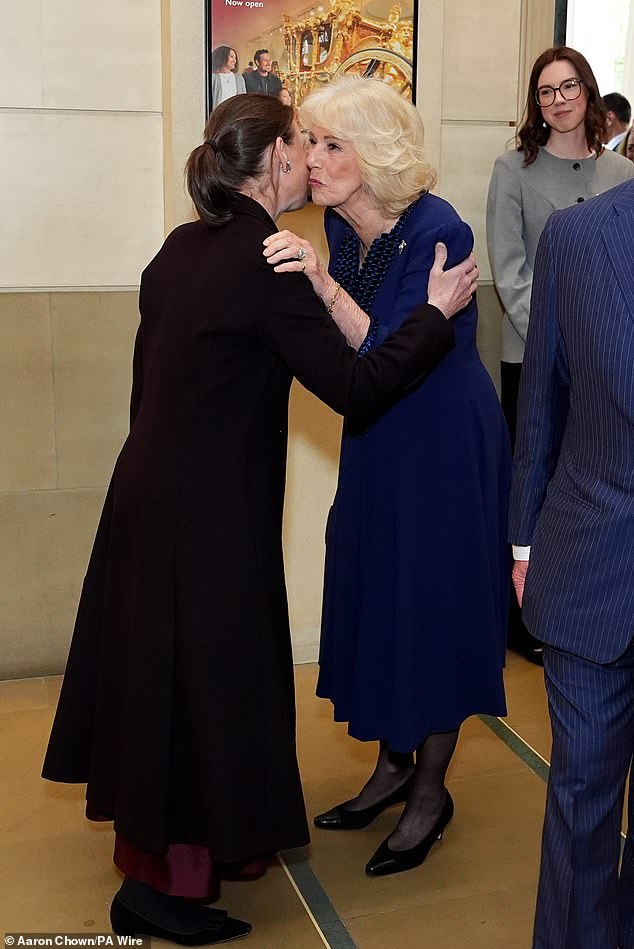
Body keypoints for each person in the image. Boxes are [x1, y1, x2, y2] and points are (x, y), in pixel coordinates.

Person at [41, 94, 478, 943]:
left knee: (174, 689)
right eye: (301, 144)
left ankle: (194, 860)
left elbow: (153, 383)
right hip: (207, 518)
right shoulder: (264, 259)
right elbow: (356, 387)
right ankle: (158, 890)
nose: (311, 159)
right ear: (274, 160)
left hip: (145, 497)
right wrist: (435, 317)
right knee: (205, 690)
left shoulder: (180, 247)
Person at [264, 77, 510, 877]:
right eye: (313, 141)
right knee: (380, 592)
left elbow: (387, 351)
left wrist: (318, 280)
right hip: (379, 433)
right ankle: (392, 766)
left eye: (333, 145)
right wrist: (320, 274)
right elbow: (358, 361)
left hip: (440, 438)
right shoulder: (342, 223)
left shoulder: (442, 228)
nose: (314, 159)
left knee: (432, 604)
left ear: (374, 155)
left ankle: (431, 791)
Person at [509, 178, 634, 949]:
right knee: (582, 792)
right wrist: (523, 542)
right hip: (591, 564)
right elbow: (541, 401)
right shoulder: (578, 238)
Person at [486, 46, 634, 665]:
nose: (559, 100)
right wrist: (559, 343)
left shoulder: (620, 174)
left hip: (611, 372)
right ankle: (532, 617)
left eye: (569, 87)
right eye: (546, 92)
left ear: (589, 92)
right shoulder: (513, 170)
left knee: (597, 491)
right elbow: (510, 269)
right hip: (536, 361)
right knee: (540, 484)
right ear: (535, 104)